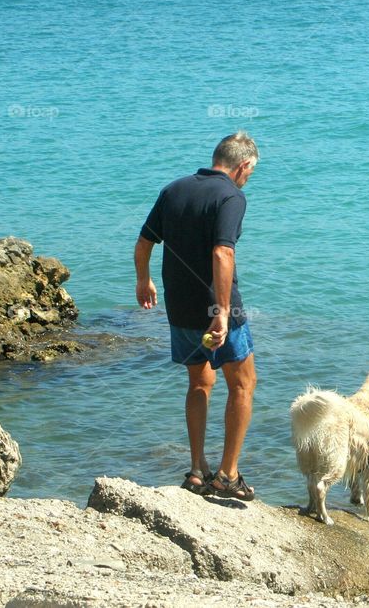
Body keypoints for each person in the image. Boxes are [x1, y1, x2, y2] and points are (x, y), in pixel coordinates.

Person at [134, 131, 259, 500]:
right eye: (251, 172)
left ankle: (196, 470)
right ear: (244, 165)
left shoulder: (174, 189)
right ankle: (227, 475)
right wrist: (221, 313)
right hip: (216, 308)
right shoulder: (231, 196)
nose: (249, 177)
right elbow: (223, 253)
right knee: (243, 384)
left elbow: (144, 242)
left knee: (199, 384)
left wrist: (144, 281)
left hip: (180, 306)